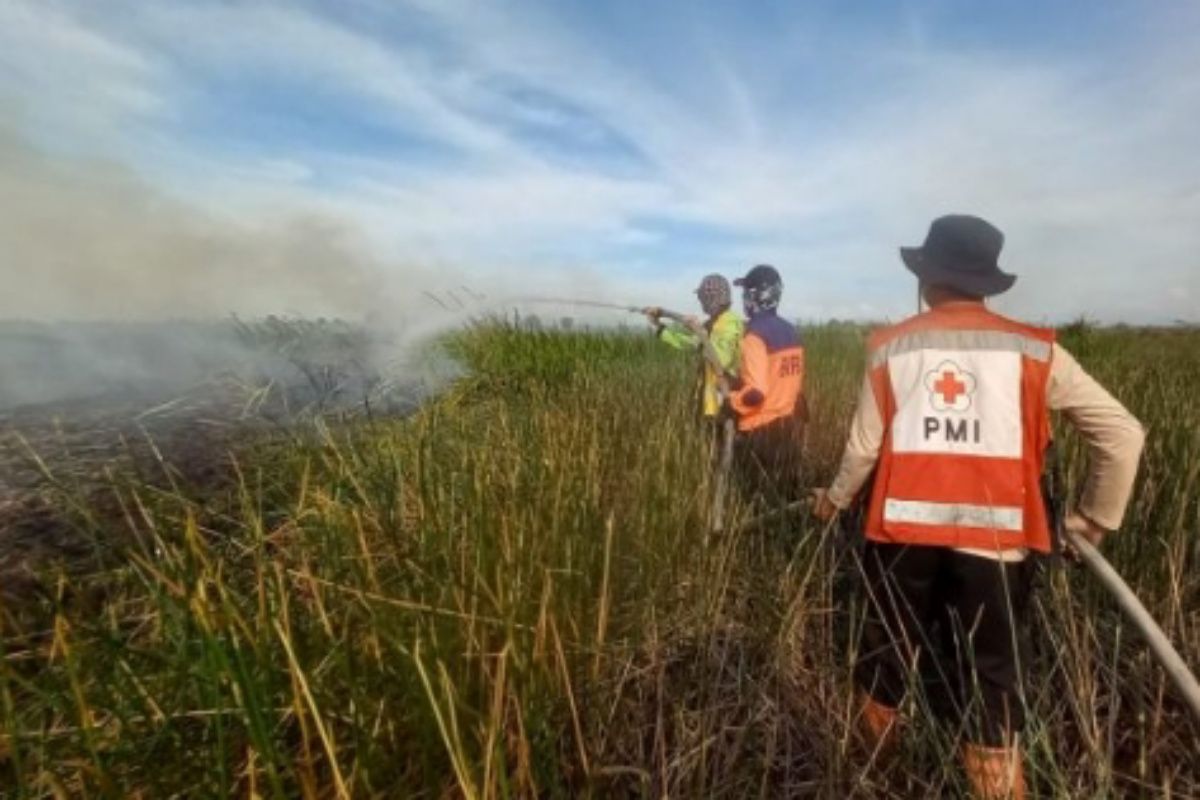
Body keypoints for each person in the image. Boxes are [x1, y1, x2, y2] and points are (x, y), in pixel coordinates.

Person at [812, 214, 1145, 799]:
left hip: (901, 542)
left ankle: (872, 780)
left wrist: (834, 499)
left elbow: (863, 449)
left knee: (884, 664)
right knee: (992, 690)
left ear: (926, 277)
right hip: (998, 547)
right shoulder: (1036, 351)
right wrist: (1091, 521)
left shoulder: (891, 347)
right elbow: (1123, 436)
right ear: (987, 284)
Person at [727, 264, 807, 506]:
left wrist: (730, 399)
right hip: (789, 427)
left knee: (757, 501)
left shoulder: (754, 336)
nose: (743, 299)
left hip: (760, 433)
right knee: (786, 497)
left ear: (757, 296)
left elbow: (756, 394)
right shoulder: (791, 331)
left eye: (746, 293)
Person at [645, 274, 743, 420]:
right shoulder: (713, 323)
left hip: (725, 403)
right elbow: (691, 342)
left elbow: (721, 358)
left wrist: (698, 331)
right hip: (712, 403)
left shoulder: (730, 323)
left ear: (711, 299)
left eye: (702, 298)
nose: (700, 302)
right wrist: (660, 328)